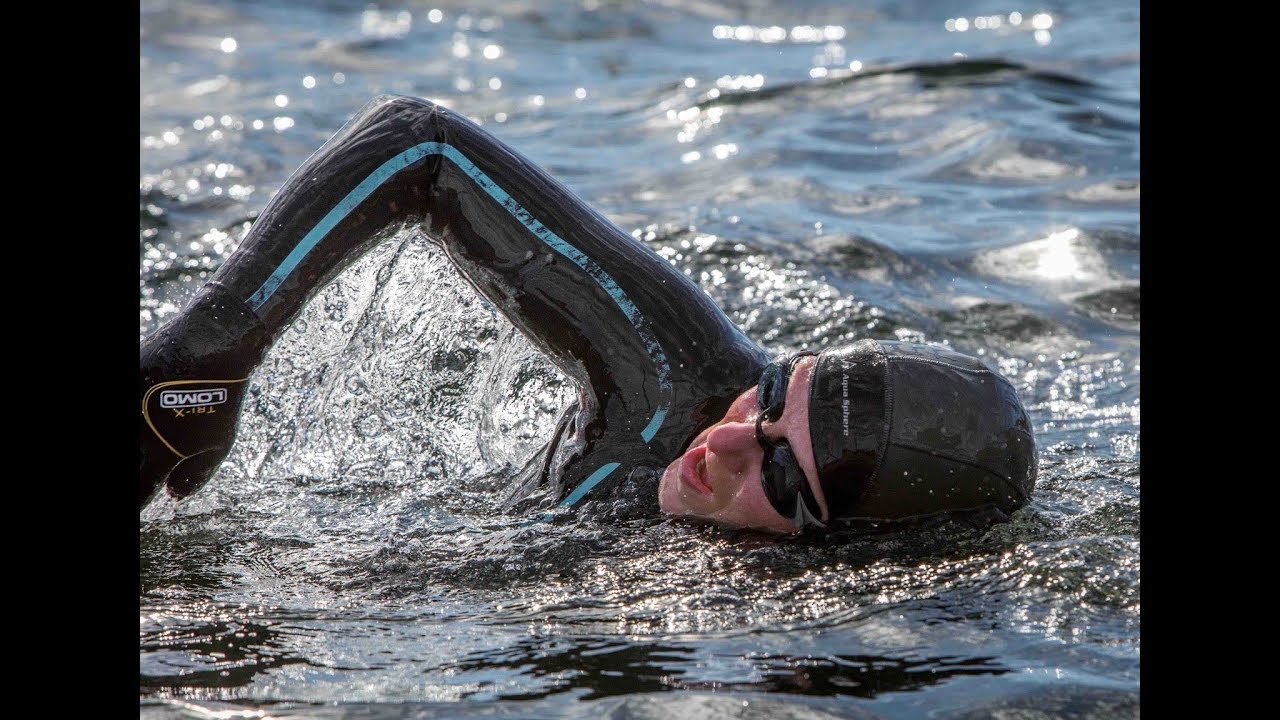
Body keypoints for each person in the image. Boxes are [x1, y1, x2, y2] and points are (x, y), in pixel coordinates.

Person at [140, 95, 1036, 533]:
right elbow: (422, 143)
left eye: (781, 476)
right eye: (768, 395)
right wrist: (209, 349)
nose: (721, 442)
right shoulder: (676, 378)